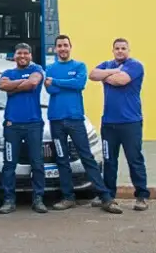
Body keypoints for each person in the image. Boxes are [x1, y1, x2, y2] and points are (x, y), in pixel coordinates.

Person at [45, 35, 122, 214]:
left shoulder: (79, 66)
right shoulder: (49, 68)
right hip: (56, 120)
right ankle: (68, 197)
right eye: (59, 46)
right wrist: (65, 84)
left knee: (87, 157)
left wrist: (57, 82)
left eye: (65, 45)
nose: (62, 48)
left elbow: (79, 84)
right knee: (62, 159)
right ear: (55, 49)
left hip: (75, 119)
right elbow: (50, 90)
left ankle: (105, 197)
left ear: (70, 47)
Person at [89, 37, 149, 211]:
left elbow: (121, 80)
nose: (120, 51)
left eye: (123, 48)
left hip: (130, 123)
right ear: (113, 50)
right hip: (109, 123)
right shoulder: (108, 64)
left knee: (134, 159)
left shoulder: (135, 65)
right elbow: (92, 74)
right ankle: (107, 196)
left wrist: (105, 75)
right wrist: (114, 71)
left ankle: (141, 197)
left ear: (128, 50)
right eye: (117, 48)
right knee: (109, 161)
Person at [0, 43, 48, 214]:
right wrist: (20, 83)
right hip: (12, 125)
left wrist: (13, 87)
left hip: (33, 124)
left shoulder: (37, 69)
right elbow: (3, 86)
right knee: (9, 164)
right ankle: (9, 200)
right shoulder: (7, 73)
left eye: (26, 53)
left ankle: (38, 199)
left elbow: (33, 83)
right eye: (19, 53)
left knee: (37, 162)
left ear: (31, 55)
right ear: (14, 55)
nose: (22, 56)